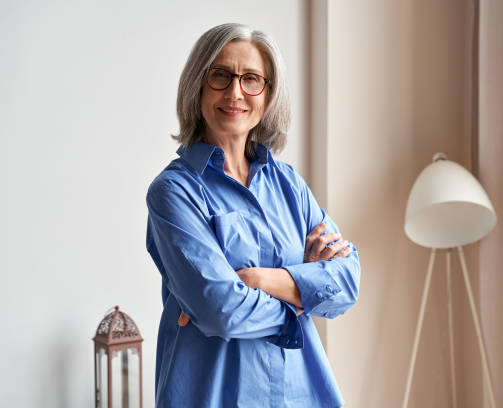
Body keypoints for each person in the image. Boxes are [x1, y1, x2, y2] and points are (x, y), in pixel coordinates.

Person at [145, 23, 361, 407]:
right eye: (221, 75)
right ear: (198, 85)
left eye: (251, 79)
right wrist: (304, 295)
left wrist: (265, 279)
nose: (235, 92)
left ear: (268, 94)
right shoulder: (173, 192)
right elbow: (220, 310)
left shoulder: (289, 184)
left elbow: (346, 282)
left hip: (302, 394)